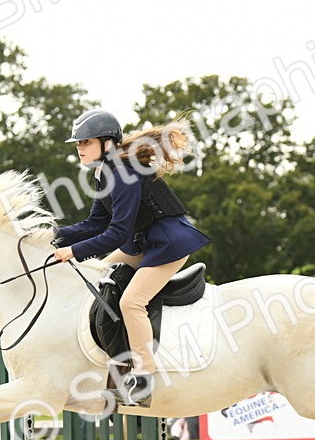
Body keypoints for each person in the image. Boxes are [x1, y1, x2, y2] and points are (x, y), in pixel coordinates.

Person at [52, 109, 210, 407]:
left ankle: (142, 379)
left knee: (131, 302)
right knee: (98, 274)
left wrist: (71, 251)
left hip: (169, 243)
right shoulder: (104, 172)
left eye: (85, 142)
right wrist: (51, 235)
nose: (79, 147)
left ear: (107, 143)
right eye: (78, 143)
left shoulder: (122, 173)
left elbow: (115, 232)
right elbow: (94, 223)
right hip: (145, 241)